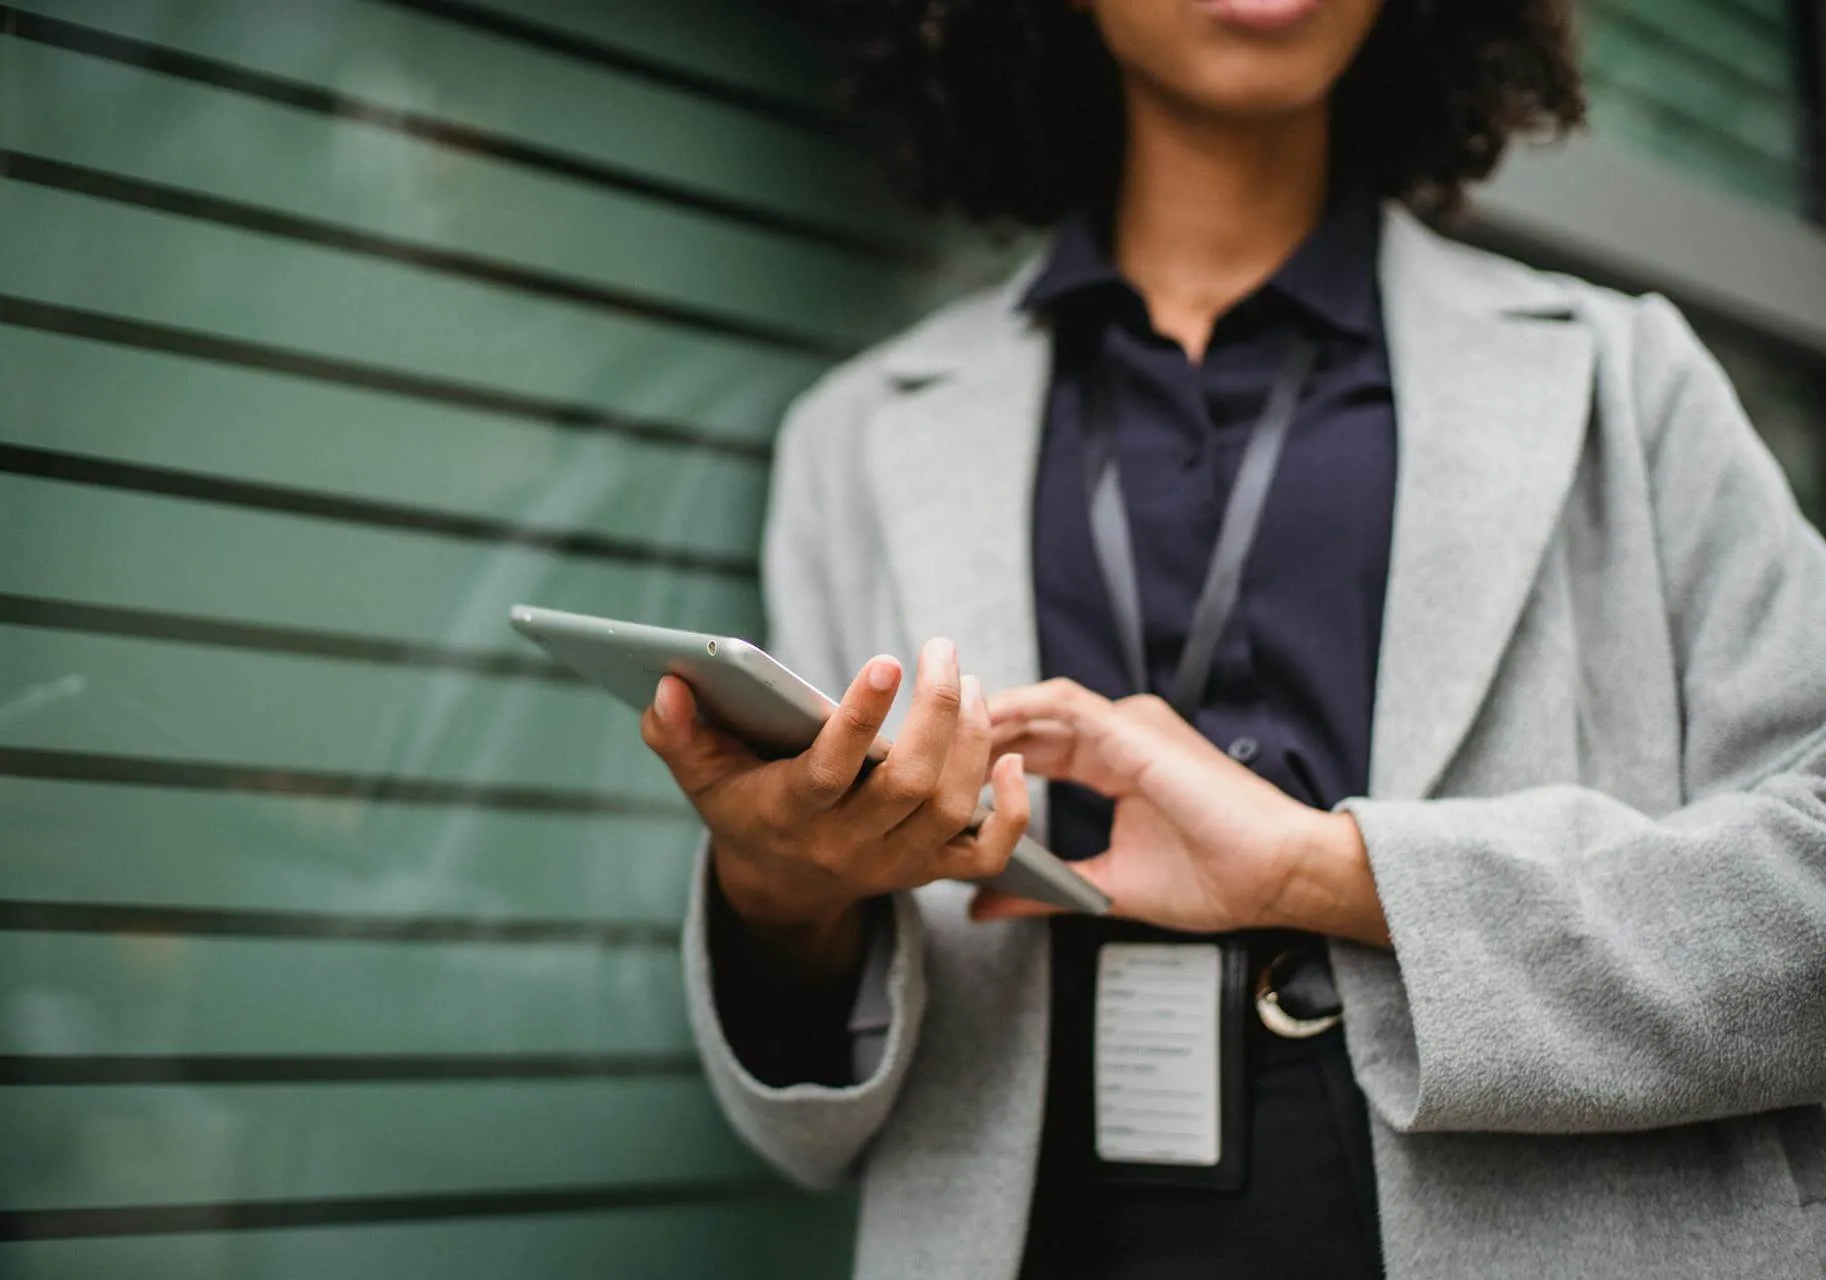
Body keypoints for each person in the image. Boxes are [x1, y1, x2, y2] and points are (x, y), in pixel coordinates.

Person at [639, 0, 1826, 1276]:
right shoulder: (862, 437)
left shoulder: (1622, 379)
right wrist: (783, 895)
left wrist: (1328, 872)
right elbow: (815, 1117)